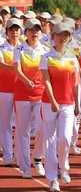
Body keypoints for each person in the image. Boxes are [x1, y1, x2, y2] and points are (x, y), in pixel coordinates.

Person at [39, 23, 81, 192]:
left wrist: (78, 104)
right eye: (59, 34)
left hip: (68, 103)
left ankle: (63, 167)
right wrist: (53, 101)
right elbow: (46, 80)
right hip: (49, 103)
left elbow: (76, 83)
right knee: (50, 140)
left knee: (64, 138)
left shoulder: (73, 58)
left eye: (65, 35)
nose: (62, 37)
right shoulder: (46, 57)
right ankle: (52, 178)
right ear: (53, 37)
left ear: (69, 37)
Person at [14, 18, 48, 178]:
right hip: (22, 95)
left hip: (41, 94)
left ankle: (38, 159)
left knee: (42, 129)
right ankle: (25, 166)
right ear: (25, 32)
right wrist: (26, 81)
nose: (34, 32)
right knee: (23, 131)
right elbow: (17, 70)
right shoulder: (19, 49)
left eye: (37, 30)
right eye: (31, 30)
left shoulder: (45, 50)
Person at [0, 18, 23, 166]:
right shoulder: (2, 47)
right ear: (7, 32)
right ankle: (8, 155)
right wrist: (16, 68)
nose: (14, 32)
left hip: (22, 91)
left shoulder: (24, 48)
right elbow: (1, 64)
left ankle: (20, 154)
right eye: (11, 30)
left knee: (21, 124)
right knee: (5, 123)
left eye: (17, 30)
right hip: (5, 90)